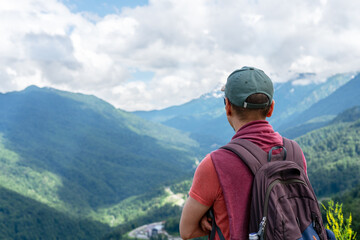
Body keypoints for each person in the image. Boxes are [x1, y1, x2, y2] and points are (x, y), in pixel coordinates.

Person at [179, 66, 307, 240]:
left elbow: (187, 231)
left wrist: (210, 219)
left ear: (228, 107)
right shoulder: (294, 152)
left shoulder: (214, 164)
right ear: (271, 109)